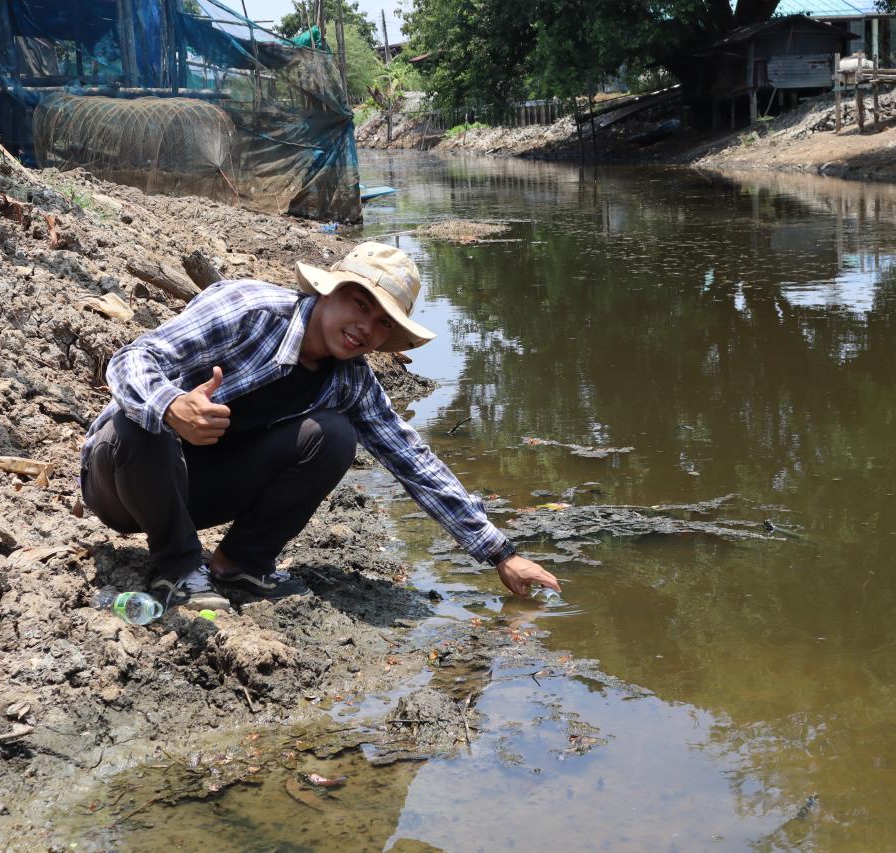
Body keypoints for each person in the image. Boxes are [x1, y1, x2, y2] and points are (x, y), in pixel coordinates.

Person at [80, 241, 561, 611]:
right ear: (328, 291)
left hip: (196, 492)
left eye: (381, 324)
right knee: (138, 419)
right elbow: (131, 359)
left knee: (333, 436)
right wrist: (171, 405)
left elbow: (413, 461)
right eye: (359, 304)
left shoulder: (351, 381)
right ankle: (179, 568)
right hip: (122, 482)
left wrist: (500, 553)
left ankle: (240, 565)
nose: (364, 328)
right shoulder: (249, 310)